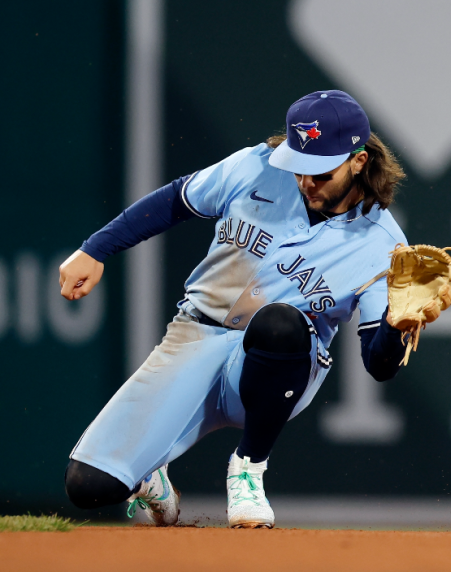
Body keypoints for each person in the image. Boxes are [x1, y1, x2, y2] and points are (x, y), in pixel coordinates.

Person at [60, 90, 412, 528]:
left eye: (319, 171)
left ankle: (249, 467)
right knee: (88, 486)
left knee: (280, 322)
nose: (305, 181)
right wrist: (96, 249)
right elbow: (176, 200)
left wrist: (400, 323)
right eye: (298, 165)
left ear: (359, 161)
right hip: (195, 337)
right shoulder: (257, 166)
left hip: (274, 368)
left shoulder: (383, 245)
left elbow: (380, 366)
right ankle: (152, 479)